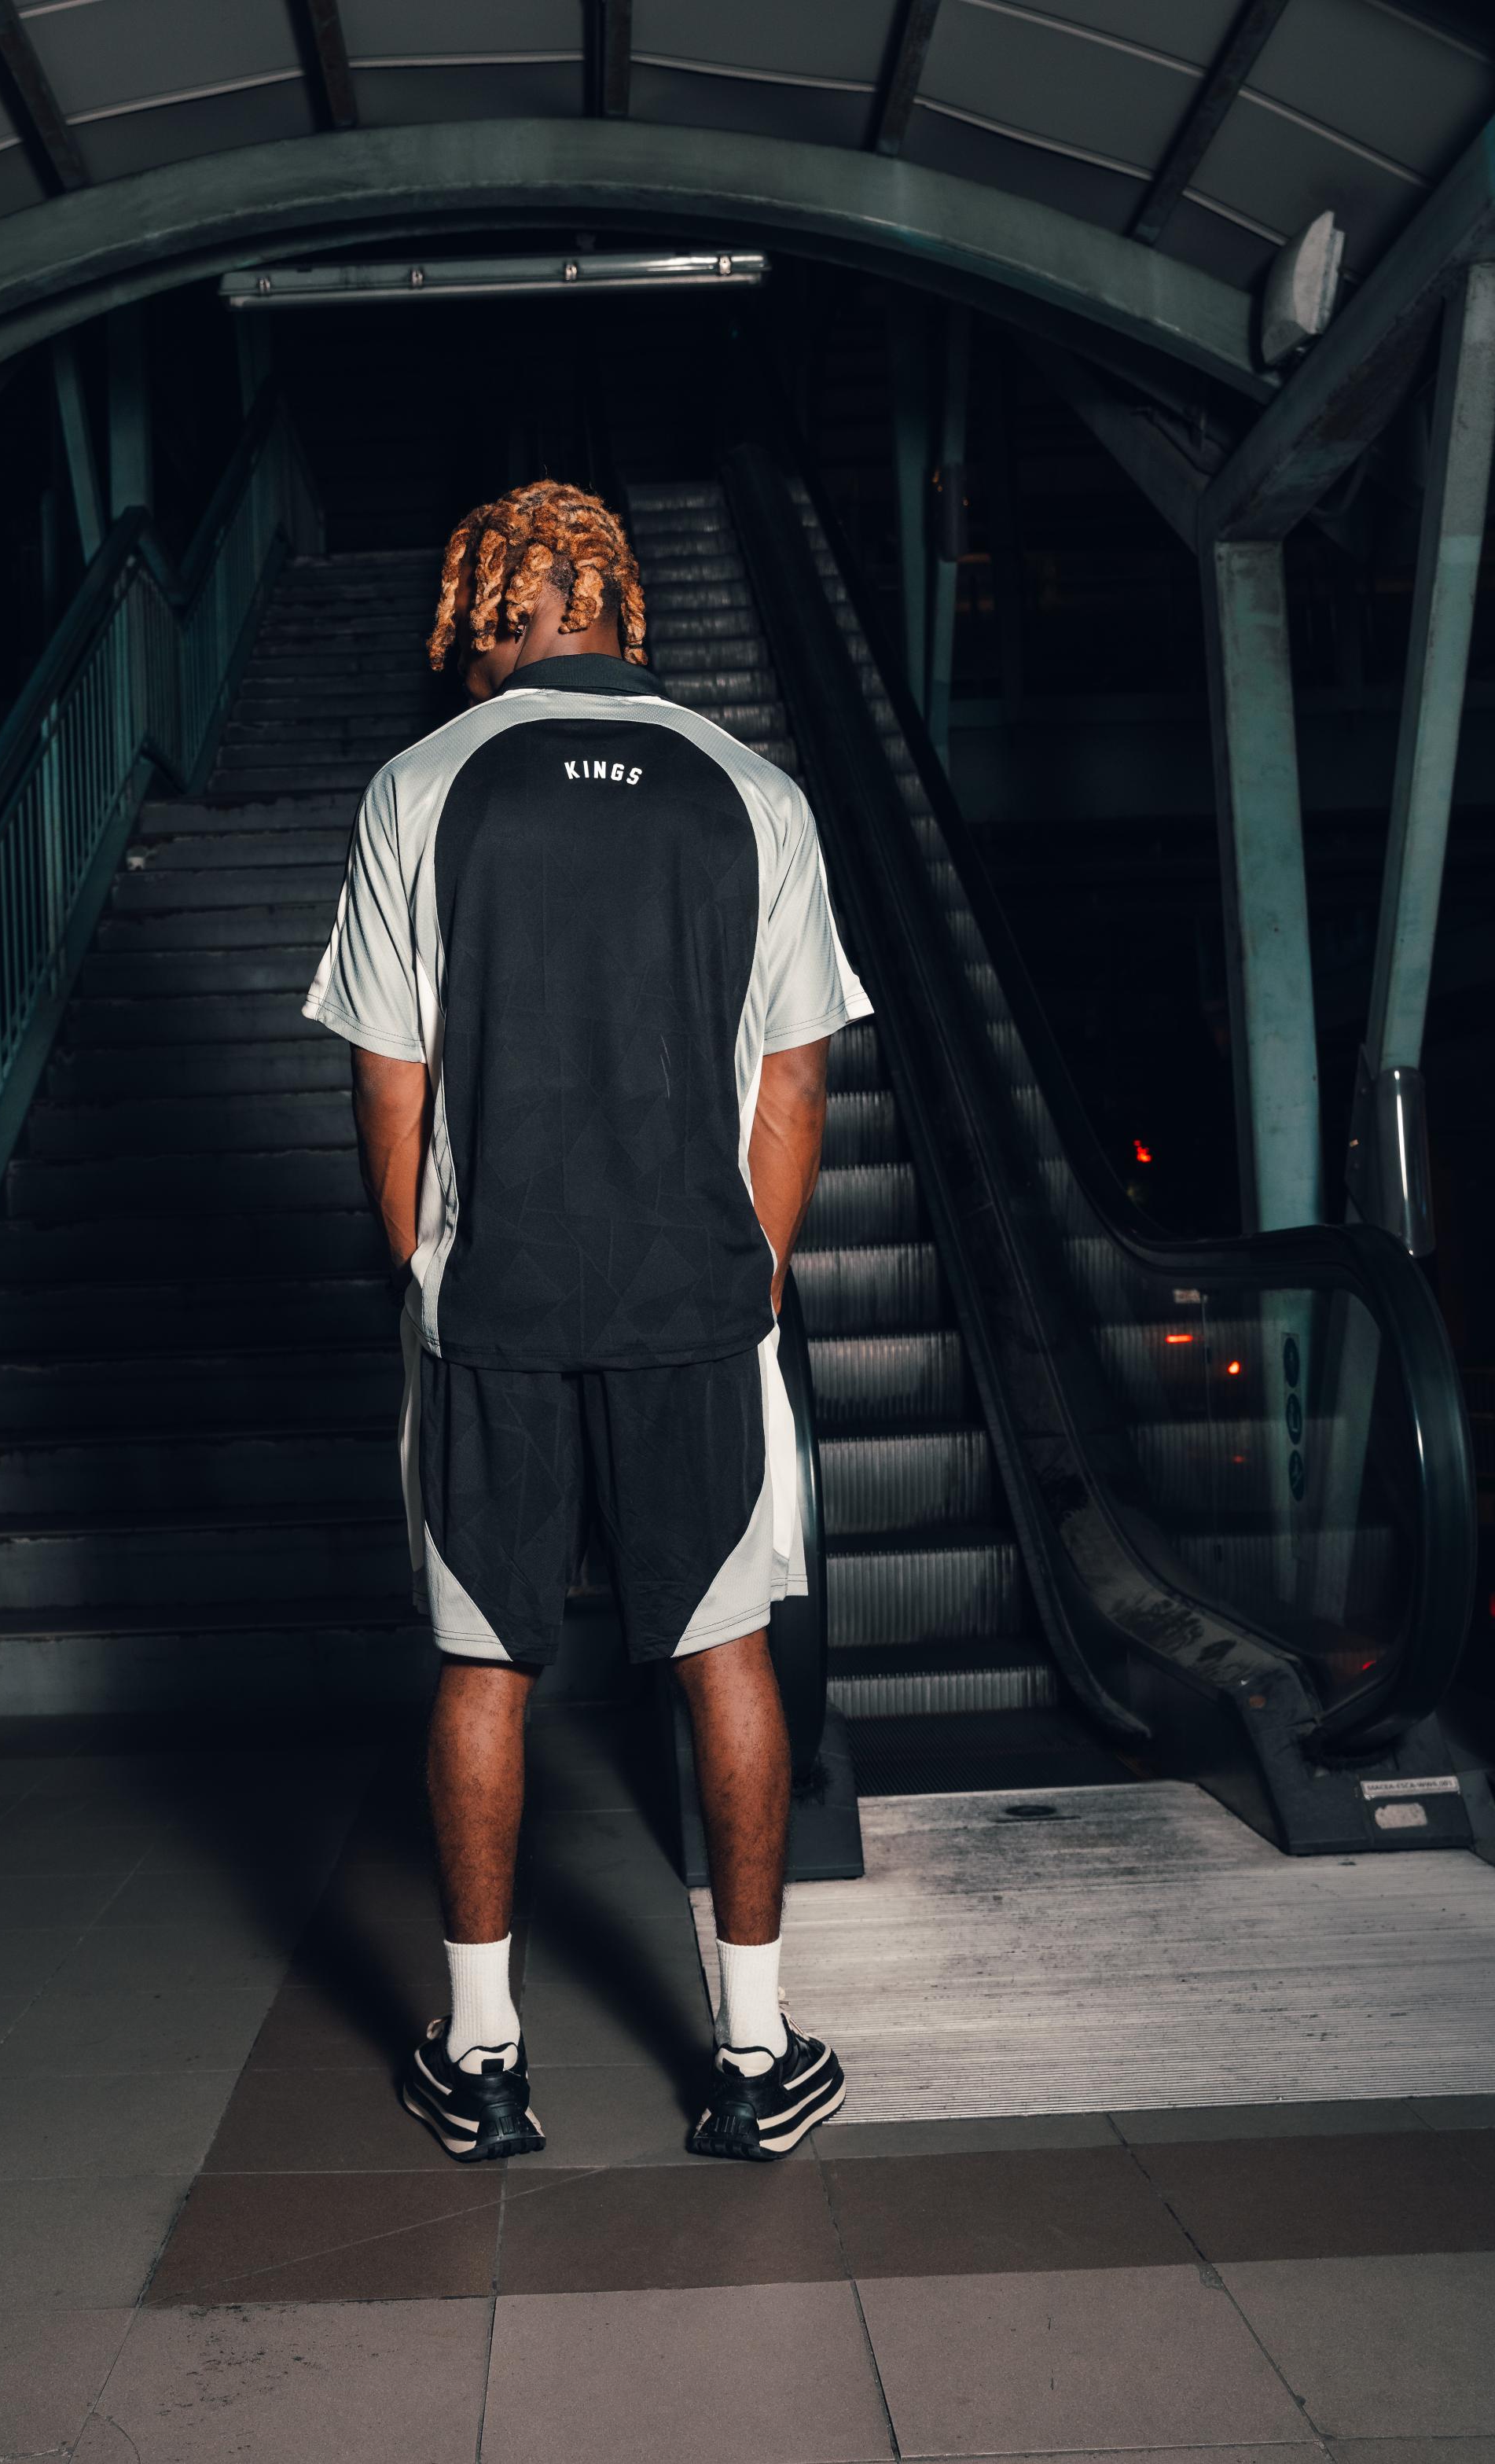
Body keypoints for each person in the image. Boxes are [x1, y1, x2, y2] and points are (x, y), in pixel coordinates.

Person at [303, 477, 872, 2161]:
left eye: (476, 614)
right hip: (694, 1298)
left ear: (511, 599)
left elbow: (388, 1085)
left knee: (484, 1660)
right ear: (618, 597)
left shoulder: (421, 787)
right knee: (724, 1647)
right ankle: (753, 2054)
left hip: (492, 1303)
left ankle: (483, 2060)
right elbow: (794, 1083)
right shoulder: (752, 790)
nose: (469, 644)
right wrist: (742, 1277)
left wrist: (433, 1270)